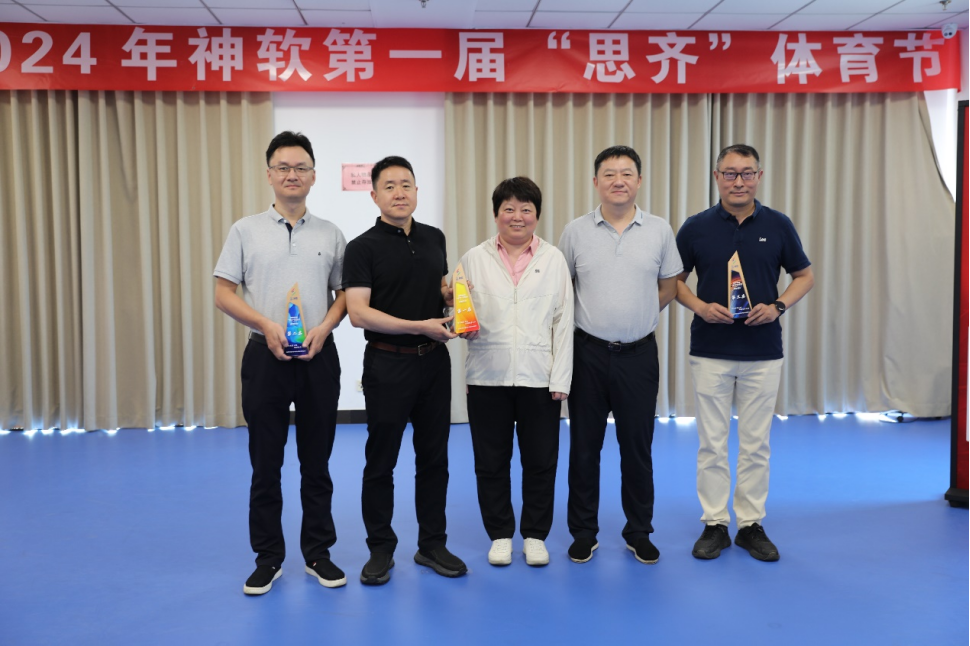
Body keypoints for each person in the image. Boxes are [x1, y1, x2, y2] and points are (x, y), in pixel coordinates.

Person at [214, 131, 348, 595]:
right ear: (269, 174)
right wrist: (265, 325)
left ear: (313, 176)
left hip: (318, 357)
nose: (293, 175)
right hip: (264, 357)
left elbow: (344, 295)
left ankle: (318, 553)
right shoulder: (244, 230)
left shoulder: (331, 233)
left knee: (317, 462)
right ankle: (268, 557)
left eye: (301, 168)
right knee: (265, 463)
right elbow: (223, 293)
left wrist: (324, 328)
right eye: (284, 167)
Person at [675, 143, 814, 562]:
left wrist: (778, 307)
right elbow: (674, 281)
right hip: (710, 350)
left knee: (756, 445)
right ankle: (715, 523)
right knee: (712, 444)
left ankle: (750, 524)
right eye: (730, 173)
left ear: (759, 176)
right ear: (716, 177)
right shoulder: (696, 227)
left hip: (763, 352)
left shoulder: (778, 224)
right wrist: (700, 307)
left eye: (747, 173)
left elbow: (804, 276)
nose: (739, 181)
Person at [343, 156, 466, 585]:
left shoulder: (434, 237)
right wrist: (419, 326)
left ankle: (432, 544)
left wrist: (451, 296)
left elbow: (436, 289)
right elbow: (358, 313)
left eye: (406, 185)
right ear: (374, 195)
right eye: (390, 186)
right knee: (381, 461)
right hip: (387, 363)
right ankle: (381, 549)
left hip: (433, 363)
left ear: (417, 191)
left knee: (435, 459)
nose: (399, 193)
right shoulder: (361, 247)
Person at [558, 145, 683, 565]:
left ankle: (639, 531)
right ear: (596, 182)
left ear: (639, 181)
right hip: (587, 354)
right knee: (584, 448)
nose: (618, 181)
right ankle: (583, 532)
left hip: (638, 355)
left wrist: (639, 314)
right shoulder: (575, 231)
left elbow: (669, 286)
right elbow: (563, 289)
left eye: (627, 173)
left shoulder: (659, 230)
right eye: (609, 174)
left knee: (637, 448)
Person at [458, 177, 574, 567]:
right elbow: (462, 315)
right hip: (486, 376)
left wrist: (561, 379)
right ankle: (500, 535)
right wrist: (459, 321)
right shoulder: (473, 258)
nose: (517, 216)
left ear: (537, 215)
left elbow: (564, 322)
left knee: (540, 461)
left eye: (526, 209)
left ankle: (535, 535)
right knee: (490, 462)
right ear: (496, 215)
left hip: (539, 378)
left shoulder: (553, 259)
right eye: (508, 208)